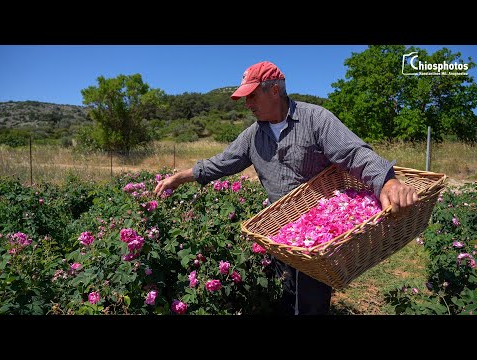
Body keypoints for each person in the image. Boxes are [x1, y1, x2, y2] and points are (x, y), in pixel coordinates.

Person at [154, 60, 418, 315]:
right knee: (285, 293)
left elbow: (355, 154)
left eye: (252, 96)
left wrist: (388, 181)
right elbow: (221, 163)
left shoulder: (316, 120)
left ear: (275, 90)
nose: (248, 104)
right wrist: (180, 177)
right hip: (280, 231)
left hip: (316, 237)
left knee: (312, 301)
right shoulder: (253, 136)